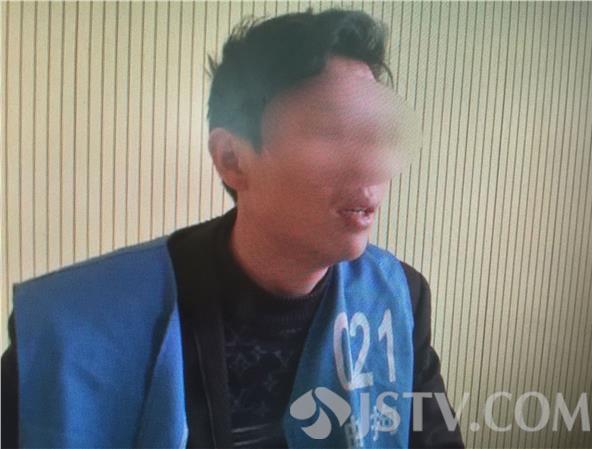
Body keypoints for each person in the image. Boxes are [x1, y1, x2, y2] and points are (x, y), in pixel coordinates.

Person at [1, 7, 464, 449]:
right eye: (331, 133)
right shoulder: (75, 330)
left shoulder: (397, 299)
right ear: (231, 159)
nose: (372, 166)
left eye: (376, 134)